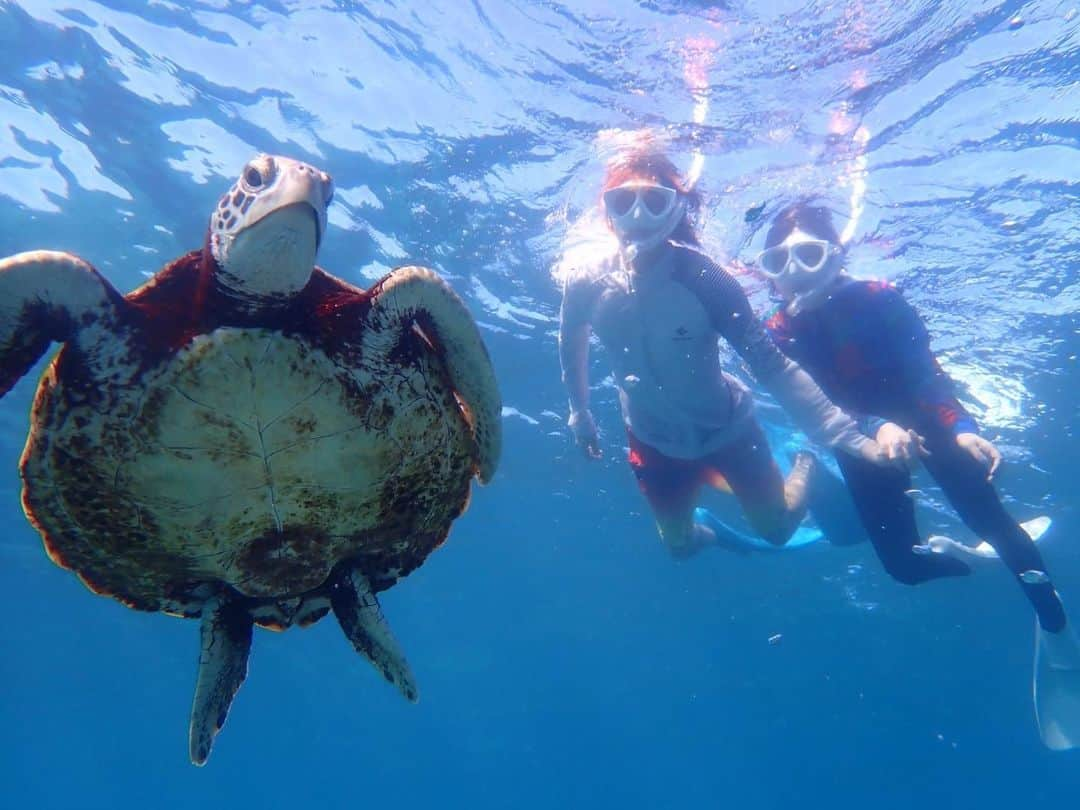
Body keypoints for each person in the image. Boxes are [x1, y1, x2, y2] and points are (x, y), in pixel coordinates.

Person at [753, 200, 1080, 750]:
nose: (795, 272)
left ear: (837, 257)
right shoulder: (776, 333)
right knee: (903, 568)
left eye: (809, 254)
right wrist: (875, 428)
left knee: (999, 525)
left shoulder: (878, 299)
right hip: (858, 439)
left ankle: (1059, 632)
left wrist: (963, 427)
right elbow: (812, 405)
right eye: (779, 260)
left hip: (926, 418)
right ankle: (970, 561)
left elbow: (924, 370)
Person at [557, 150, 890, 560]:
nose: (639, 215)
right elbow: (570, 337)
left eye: (655, 200)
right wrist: (579, 411)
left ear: (677, 208)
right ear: (607, 210)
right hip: (652, 438)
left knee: (778, 532)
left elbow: (772, 365)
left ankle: (807, 465)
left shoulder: (706, 280)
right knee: (678, 547)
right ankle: (714, 533)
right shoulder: (585, 280)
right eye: (624, 201)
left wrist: (844, 435)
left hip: (728, 430)